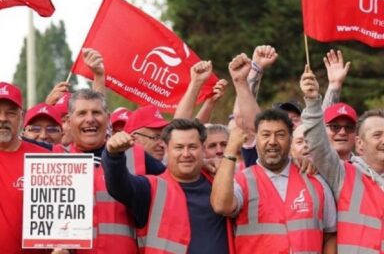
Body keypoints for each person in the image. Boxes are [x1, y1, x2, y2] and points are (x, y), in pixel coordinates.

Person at [53, 89, 164, 254]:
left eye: (96, 112)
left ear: (108, 118)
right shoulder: (53, 158)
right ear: (68, 121)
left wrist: (201, 164)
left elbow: (176, 181)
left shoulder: (136, 155)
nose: (90, 119)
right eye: (82, 113)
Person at [211, 109, 336, 253]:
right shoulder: (242, 181)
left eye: (280, 135)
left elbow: (330, 235)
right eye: (265, 135)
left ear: (290, 139)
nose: (272, 142)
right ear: (256, 139)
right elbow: (221, 205)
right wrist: (231, 149)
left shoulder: (315, 181)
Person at [103, 118, 235, 254]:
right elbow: (118, 185)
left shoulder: (220, 185)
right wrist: (114, 156)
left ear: (203, 148)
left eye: (192, 147)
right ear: (166, 149)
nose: (186, 154)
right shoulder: (151, 188)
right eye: (179, 147)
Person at [300, 64, 384, 253]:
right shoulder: (345, 174)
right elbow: (319, 145)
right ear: (360, 144)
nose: (383, 140)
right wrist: (313, 101)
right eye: (377, 135)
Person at [0, 82, 50, 254]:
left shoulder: (45, 159)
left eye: (11, 113)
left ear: (22, 117)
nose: (2, 118)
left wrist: (63, 246)